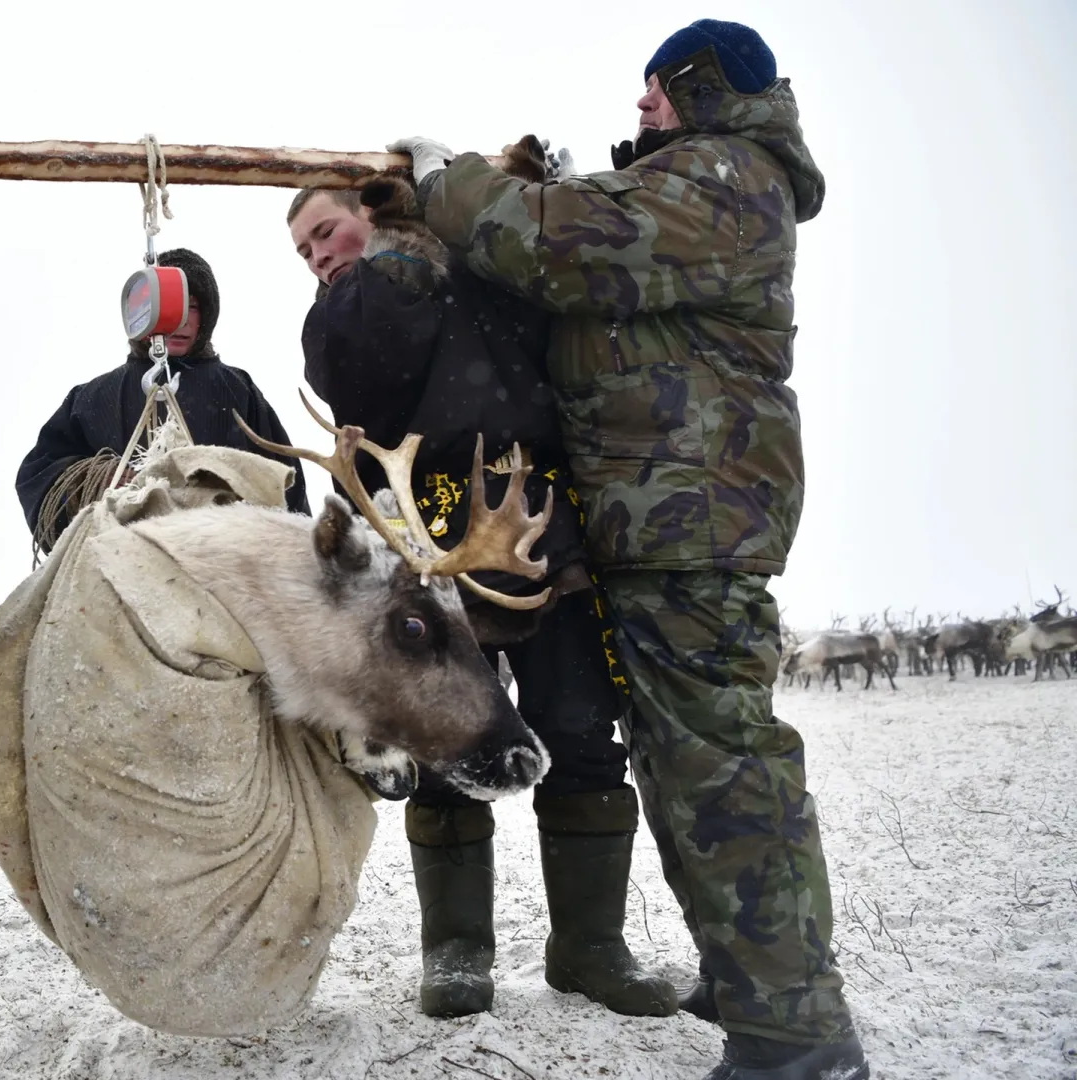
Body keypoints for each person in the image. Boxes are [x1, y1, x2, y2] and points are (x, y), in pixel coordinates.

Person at [394, 19, 868, 1080]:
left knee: (725, 774)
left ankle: (797, 1037)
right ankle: (748, 978)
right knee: (682, 770)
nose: (642, 106)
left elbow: (564, 246)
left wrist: (450, 184)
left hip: (691, 529)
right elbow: (587, 243)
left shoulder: (727, 175)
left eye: (659, 89)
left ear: (706, 89)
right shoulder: (697, 180)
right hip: (664, 530)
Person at [286, 181, 677, 1021]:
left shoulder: (489, 266)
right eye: (305, 251)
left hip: (545, 529)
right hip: (428, 537)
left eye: (327, 231)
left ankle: (590, 948)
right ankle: (458, 952)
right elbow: (353, 371)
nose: (318, 255)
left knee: (579, 728)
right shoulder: (351, 309)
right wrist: (381, 268)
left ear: (375, 212)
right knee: (444, 734)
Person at [15, 248, 308, 550]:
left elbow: (286, 485)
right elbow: (37, 476)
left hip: (225, 566)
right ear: (141, 312)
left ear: (208, 316)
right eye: (170, 306)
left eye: (192, 307)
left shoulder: (237, 390)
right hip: (123, 563)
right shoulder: (92, 397)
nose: (181, 321)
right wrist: (96, 480)